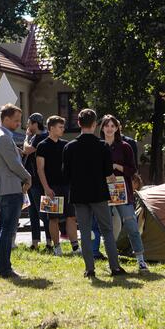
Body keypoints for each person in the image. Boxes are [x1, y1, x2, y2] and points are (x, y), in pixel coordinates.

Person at [63, 108, 125, 278]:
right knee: (107, 230)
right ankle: (114, 267)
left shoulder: (69, 147)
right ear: (95, 124)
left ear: (78, 123)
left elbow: (66, 175)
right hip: (99, 194)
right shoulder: (103, 146)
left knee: (84, 232)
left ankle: (89, 269)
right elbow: (107, 172)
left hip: (79, 195)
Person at [100, 115, 149, 272]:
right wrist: (106, 173)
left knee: (131, 226)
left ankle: (141, 260)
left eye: (112, 126)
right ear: (101, 128)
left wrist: (116, 166)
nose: (109, 128)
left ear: (117, 128)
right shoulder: (98, 147)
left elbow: (132, 170)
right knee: (108, 230)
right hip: (103, 193)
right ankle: (112, 262)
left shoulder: (125, 147)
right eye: (106, 125)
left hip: (123, 192)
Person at [0, 104, 32, 278]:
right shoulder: (3, 138)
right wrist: (28, 177)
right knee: (8, 229)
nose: (18, 123)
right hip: (9, 188)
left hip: (3, 187)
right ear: (5, 119)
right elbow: (14, 164)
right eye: (15, 120)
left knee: (3, 229)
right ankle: (4, 268)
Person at [36, 115, 80, 256]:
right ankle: (56, 247)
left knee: (71, 217)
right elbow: (40, 169)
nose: (63, 129)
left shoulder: (66, 145)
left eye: (63, 126)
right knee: (53, 218)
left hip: (67, 186)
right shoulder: (42, 146)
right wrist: (46, 188)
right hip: (51, 187)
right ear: (51, 128)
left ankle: (75, 247)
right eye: (60, 127)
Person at [23, 113, 51, 250]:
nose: (27, 126)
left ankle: (49, 242)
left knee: (43, 213)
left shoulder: (40, 137)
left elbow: (27, 150)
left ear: (35, 124)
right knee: (33, 212)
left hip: (38, 181)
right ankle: (35, 242)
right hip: (31, 180)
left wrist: (26, 137)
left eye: (29, 123)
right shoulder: (38, 136)